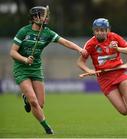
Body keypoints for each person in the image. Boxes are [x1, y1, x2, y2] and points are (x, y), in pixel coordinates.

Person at [10, 6, 87, 134]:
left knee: (40, 104)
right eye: (43, 15)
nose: (46, 18)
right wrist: (24, 59)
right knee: (33, 102)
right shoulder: (24, 32)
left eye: (47, 15)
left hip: (36, 69)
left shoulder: (47, 33)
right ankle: (47, 128)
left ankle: (26, 98)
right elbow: (12, 52)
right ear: (34, 17)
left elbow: (65, 42)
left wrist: (79, 49)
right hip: (21, 68)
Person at [77, 18, 127, 136]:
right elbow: (80, 62)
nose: (100, 32)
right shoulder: (90, 44)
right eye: (97, 30)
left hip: (120, 72)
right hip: (104, 79)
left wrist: (117, 49)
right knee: (123, 111)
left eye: (102, 30)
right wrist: (88, 70)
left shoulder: (114, 37)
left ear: (108, 30)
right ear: (93, 31)